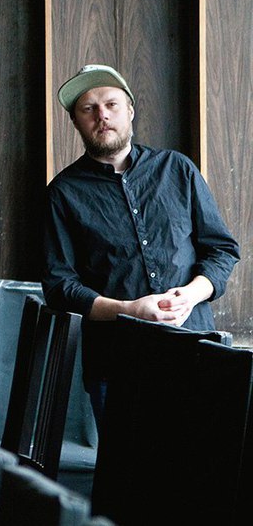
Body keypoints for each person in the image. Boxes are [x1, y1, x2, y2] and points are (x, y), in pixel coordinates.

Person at [43, 64, 240, 419]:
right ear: (76, 122)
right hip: (116, 363)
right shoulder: (62, 193)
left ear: (130, 111)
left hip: (197, 349)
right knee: (126, 458)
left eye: (111, 104)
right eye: (88, 109)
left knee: (203, 454)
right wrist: (130, 310)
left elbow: (222, 249)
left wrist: (192, 294)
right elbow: (60, 286)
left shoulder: (177, 169)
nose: (102, 115)